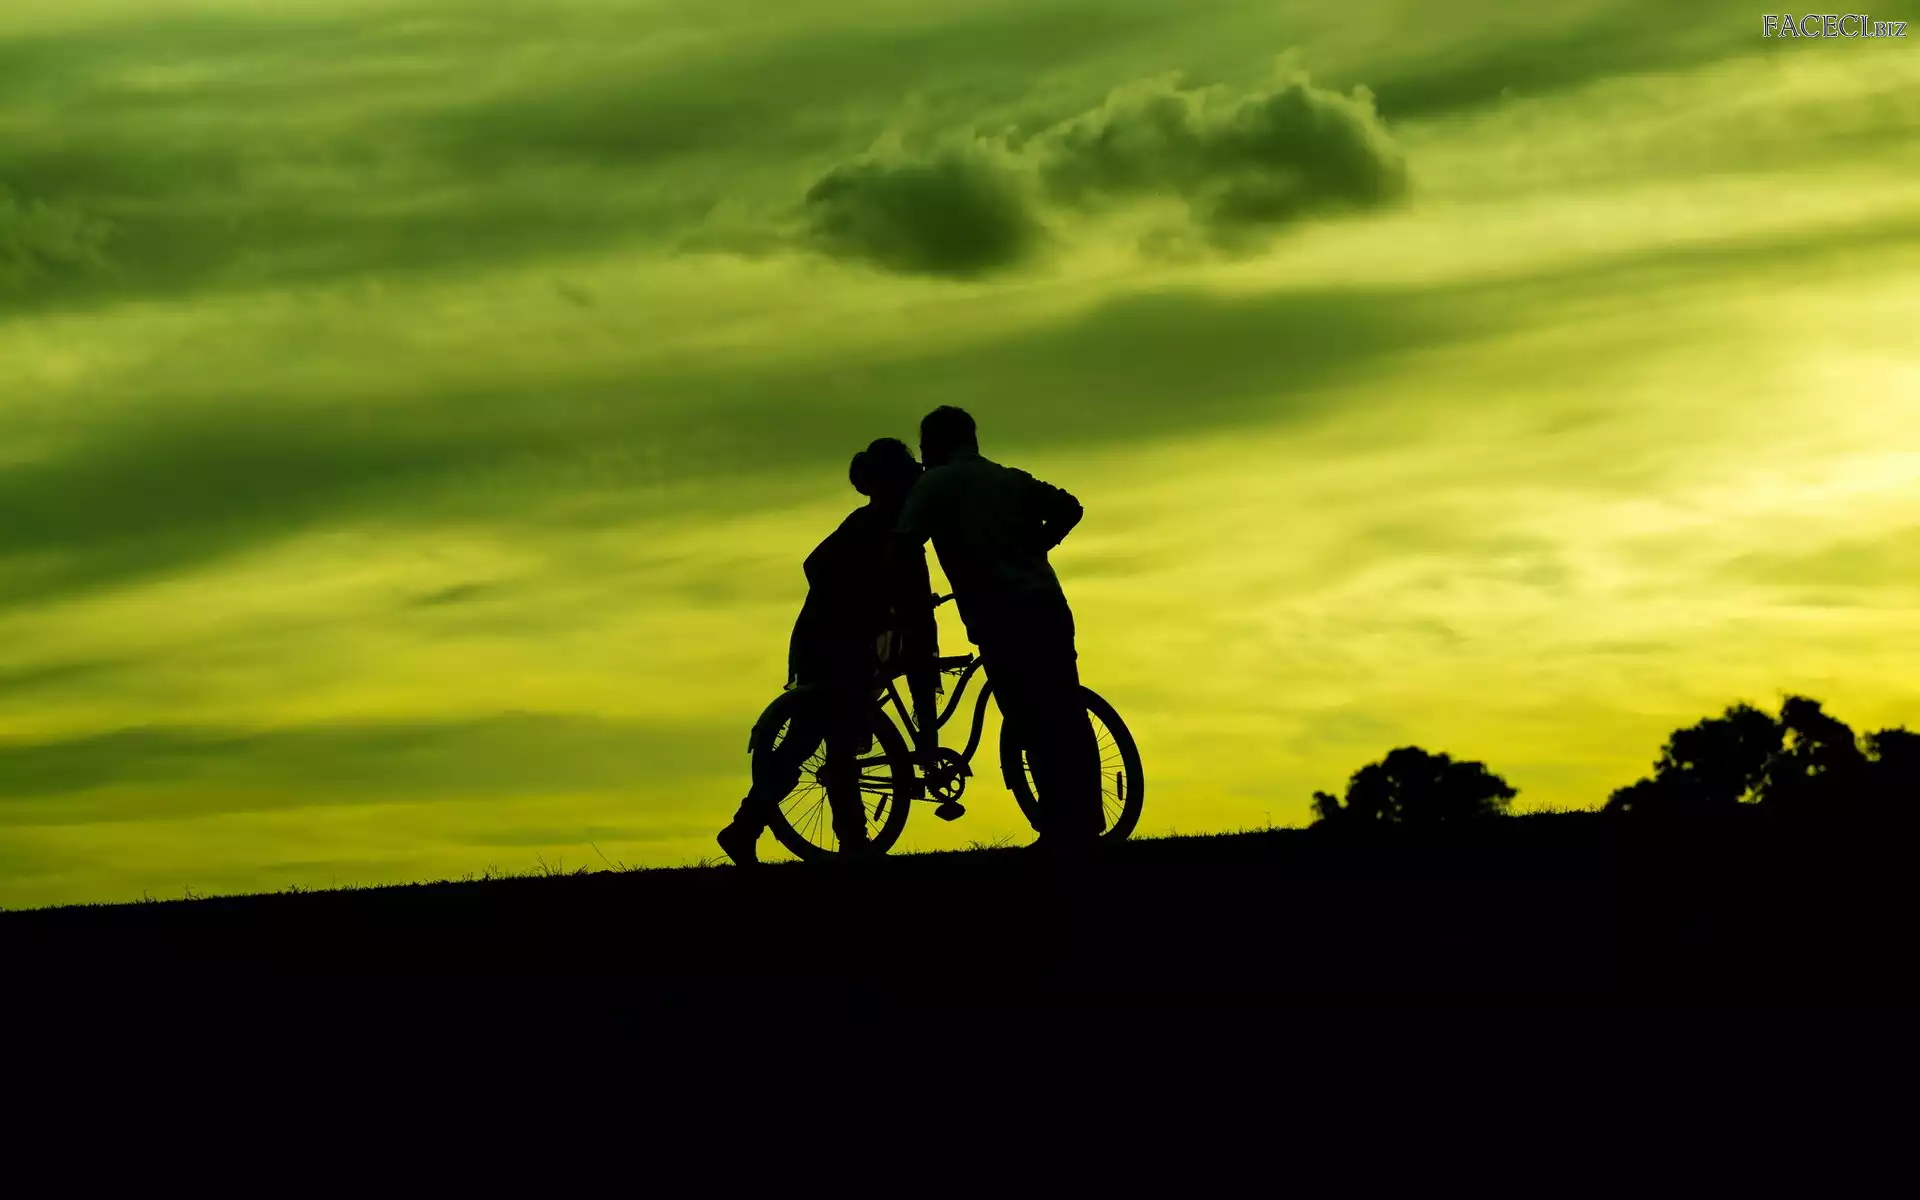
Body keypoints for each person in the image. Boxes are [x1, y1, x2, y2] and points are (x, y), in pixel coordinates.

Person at [718, 438, 939, 866]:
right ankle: (843, 841)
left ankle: (756, 827)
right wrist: (870, 602)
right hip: (832, 644)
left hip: (840, 641)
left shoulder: (886, 527)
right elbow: (818, 568)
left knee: (825, 740)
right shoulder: (874, 527)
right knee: (828, 740)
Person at [892, 406, 1103, 849]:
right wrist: (1037, 547)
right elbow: (1069, 507)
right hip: (1046, 605)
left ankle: (1059, 826)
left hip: (997, 613)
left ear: (935, 444)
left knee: (1028, 716)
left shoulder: (936, 484)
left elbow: (904, 542)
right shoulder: (1008, 479)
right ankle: (1085, 820)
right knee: (1065, 710)